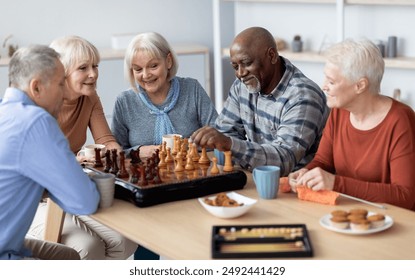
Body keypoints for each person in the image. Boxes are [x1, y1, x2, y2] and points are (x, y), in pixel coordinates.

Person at [28, 36, 137, 260]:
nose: (93, 74)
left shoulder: (89, 97)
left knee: (123, 240)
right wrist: (70, 164)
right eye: (83, 68)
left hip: (69, 190)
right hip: (34, 198)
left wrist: (111, 153)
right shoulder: (39, 104)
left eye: (95, 66)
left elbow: (107, 140)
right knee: (87, 247)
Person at [288, 38, 415, 210]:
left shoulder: (400, 120)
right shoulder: (339, 110)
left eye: (331, 82)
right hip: (348, 211)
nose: (324, 86)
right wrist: (307, 173)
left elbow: (405, 196)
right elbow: (323, 161)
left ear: (360, 85)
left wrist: (336, 183)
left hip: (391, 221)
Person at [0, 45, 100, 259]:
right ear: (36, 87)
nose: (65, 92)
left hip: (8, 243)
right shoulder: (35, 121)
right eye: (61, 83)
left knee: (70, 257)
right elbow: (84, 201)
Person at [191, 27, 329, 176]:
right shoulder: (242, 86)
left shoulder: (302, 96)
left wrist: (229, 144)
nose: (240, 74)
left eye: (247, 63)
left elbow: (284, 160)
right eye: (235, 67)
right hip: (257, 177)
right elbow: (226, 133)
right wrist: (220, 141)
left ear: (272, 55)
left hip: (296, 186)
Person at [111, 31, 218, 158]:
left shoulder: (192, 89)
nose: (145, 75)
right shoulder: (124, 101)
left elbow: (218, 135)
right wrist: (137, 151)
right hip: (144, 175)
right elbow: (116, 152)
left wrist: (186, 146)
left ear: (168, 61)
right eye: (138, 69)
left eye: (153, 66)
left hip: (191, 171)